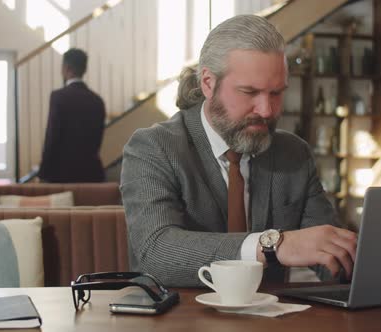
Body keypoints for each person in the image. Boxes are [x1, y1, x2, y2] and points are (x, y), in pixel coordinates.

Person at [120, 15, 357, 287]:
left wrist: (368, 263)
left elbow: (331, 259)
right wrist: (274, 246)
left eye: (276, 93)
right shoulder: (153, 148)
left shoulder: (294, 154)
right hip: (180, 319)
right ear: (208, 83)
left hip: (270, 321)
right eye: (249, 92)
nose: (267, 110)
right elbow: (156, 252)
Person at [38, 48, 106, 183]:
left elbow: (52, 137)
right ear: (84, 70)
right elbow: (97, 141)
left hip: (61, 174)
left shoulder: (58, 97)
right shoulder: (97, 100)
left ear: (65, 68)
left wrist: (43, 172)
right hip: (91, 173)